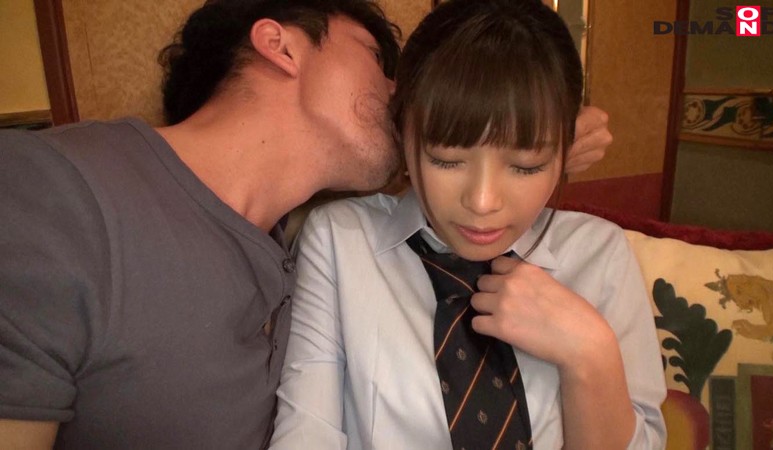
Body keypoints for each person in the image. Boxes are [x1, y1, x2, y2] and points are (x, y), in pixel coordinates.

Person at [0, 0, 610, 448]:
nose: (403, 94)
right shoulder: (54, 188)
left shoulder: (301, 237)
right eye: (380, 62)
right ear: (281, 45)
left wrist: (525, 133)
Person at [269, 0, 666, 449]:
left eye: (526, 166)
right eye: (446, 160)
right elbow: (307, 431)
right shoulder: (341, 241)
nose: (482, 202)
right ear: (402, 135)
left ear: (565, 152)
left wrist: (590, 354)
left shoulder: (600, 254)